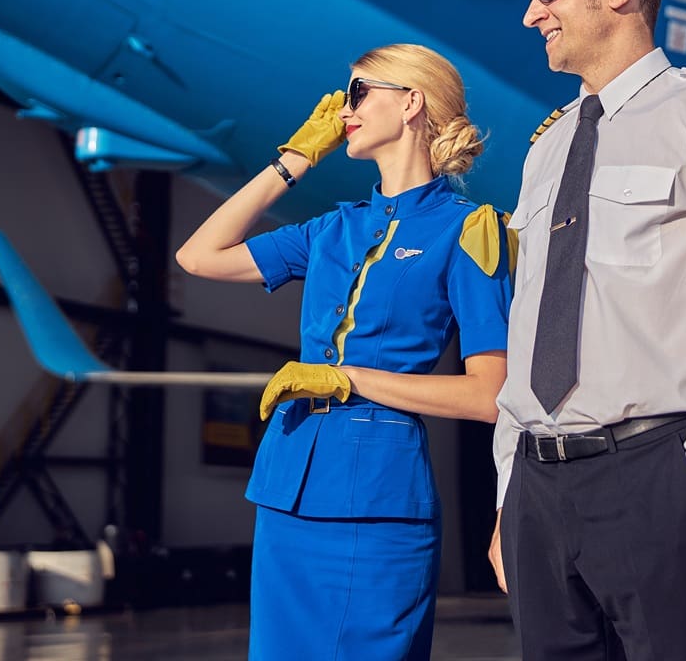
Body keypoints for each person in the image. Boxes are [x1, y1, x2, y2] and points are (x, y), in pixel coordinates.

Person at [174, 44, 512, 661]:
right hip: (286, 492)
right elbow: (198, 257)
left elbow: (490, 395)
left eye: (358, 93)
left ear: (411, 103)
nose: (342, 110)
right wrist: (295, 160)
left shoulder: (467, 229)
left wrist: (348, 379)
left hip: (377, 502)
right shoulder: (331, 229)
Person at [488, 0, 686, 658]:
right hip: (537, 483)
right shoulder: (546, 147)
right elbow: (530, 323)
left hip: (655, 474)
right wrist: (507, 491)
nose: (533, 12)